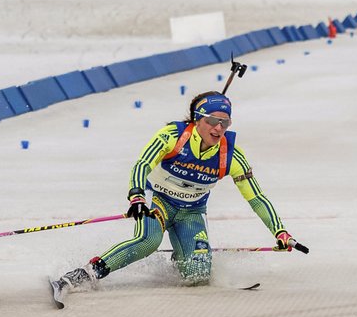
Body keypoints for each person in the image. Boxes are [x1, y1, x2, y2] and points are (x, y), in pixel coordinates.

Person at [51, 91, 298, 301]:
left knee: (198, 275)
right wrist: (136, 196)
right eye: (213, 120)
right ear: (197, 119)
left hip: (191, 212)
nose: (219, 128)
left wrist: (280, 232)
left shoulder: (230, 154)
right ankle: (81, 275)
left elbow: (256, 198)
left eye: (225, 122)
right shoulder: (172, 136)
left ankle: (182, 254)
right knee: (148, 241)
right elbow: (142, 165)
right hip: (157, 201)